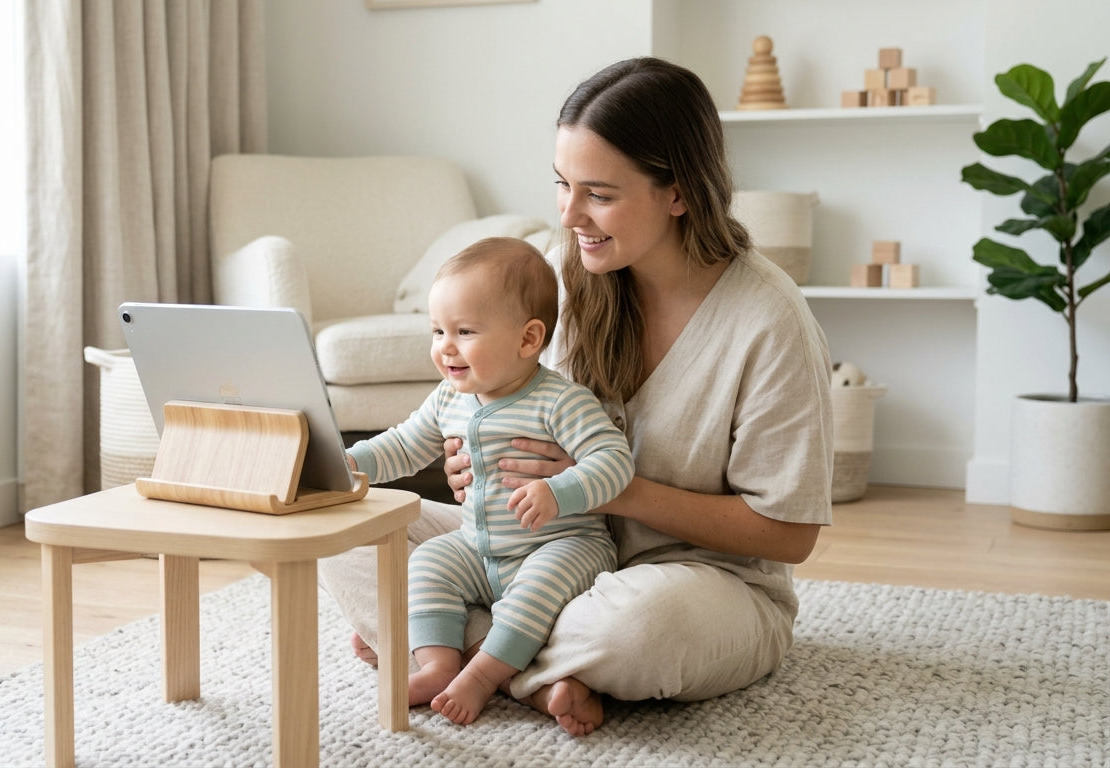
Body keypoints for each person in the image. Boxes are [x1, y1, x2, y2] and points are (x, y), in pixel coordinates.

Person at [320, 56, 833, 738]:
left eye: (598, 193)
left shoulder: (768, 318)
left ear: (677, 192)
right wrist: (467, 460)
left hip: (694, 584)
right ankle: (528, 676)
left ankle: (452, 651)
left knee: (638, 630)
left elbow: (789, 535)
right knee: (345, 534)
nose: (568, 214)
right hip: (539, 548)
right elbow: (509, 409)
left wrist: (609, 491)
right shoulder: (573, 278)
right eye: (562, 185)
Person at [344, 236, 634, 725]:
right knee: (431, 560)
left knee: (537, 589)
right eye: (438, 331)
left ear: (528, 339)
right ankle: (437, 665)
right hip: (479, 547)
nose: (445, 348)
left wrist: (558, 492)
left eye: (464, 331)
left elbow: (614, 461)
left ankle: (480, 677)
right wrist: (346, 465)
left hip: (562, 545)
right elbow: (403, 445)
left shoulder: (561, 401)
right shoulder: (449, 399)